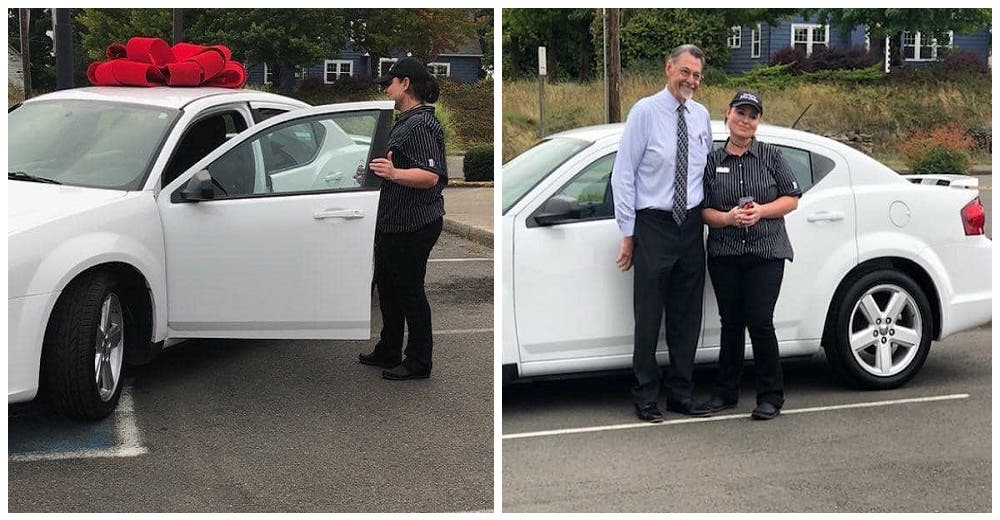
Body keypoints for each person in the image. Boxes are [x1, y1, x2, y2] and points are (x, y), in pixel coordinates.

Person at [611, 44, 714, 423]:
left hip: (690, 224)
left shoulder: (702, 116)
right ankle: (645, 396)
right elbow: (623, 174)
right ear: (668, 68)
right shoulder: (645, 112)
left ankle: (681, 394)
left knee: (686, 316)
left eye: (697, 75)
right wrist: (628, 231)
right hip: (653, 224)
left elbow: (705, 173)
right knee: (649, 315)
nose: (691, 80)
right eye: (685, 72)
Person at [700, 90, 801, 420]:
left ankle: (771, 395)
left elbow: (792, 198)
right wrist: (728, 218)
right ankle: (726, 392)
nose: (745, 120)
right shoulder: (713, 161)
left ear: (758, 122)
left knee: (759, 321)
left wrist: (762, 211)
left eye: (752, 115)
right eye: (740, 113)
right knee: (730, 323)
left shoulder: (771, 156)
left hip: (766, 251)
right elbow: (702, 210)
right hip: (725, 252)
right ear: (727, 114)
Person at [358, 57, 447, 380]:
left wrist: (393, 173)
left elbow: (430, 176)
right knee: (388, 287)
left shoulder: (420, 124)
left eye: (390, 81)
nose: (386, 86)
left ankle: (419, 361)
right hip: (394, 223)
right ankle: (389, 349)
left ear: (406, 83)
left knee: (409, 291)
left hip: (415, 224)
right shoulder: (406, 120)